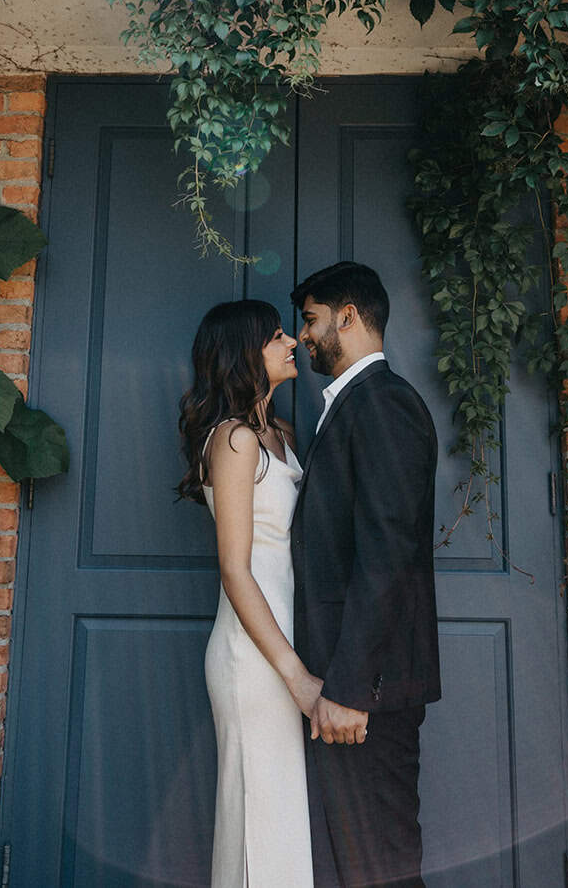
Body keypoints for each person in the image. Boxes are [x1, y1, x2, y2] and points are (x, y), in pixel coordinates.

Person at [291, 262, 441, 888]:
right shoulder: (355, 404)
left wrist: (352, 688)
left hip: (365, 695)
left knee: (380, 869)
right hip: (350, 686)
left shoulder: (383, 404)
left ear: (347, 316)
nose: (302, 337)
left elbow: (387, 555)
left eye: (310, 319)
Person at [178, 299, 323, 888]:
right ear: (246, 353)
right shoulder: (233, 440)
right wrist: (296, 675)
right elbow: (236, 570)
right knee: (258, 821)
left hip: (287, 640)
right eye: (277, 335)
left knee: (282, 821)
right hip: (255, 657)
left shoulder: (280, 434)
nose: (292, 342)